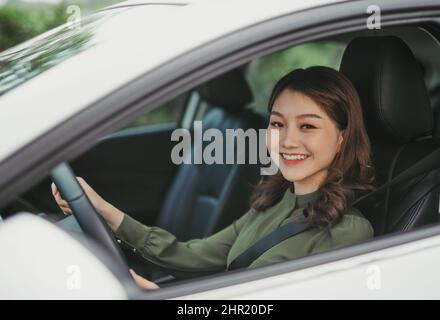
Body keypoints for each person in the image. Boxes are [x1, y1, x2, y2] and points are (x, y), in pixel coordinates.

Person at [52, 66, 376, 291]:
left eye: (308, 126)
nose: (287, 140)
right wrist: (104, 211)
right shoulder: (274, 198)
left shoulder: (348, 231)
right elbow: (195, 256)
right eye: (277, 124)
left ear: (342, 138)